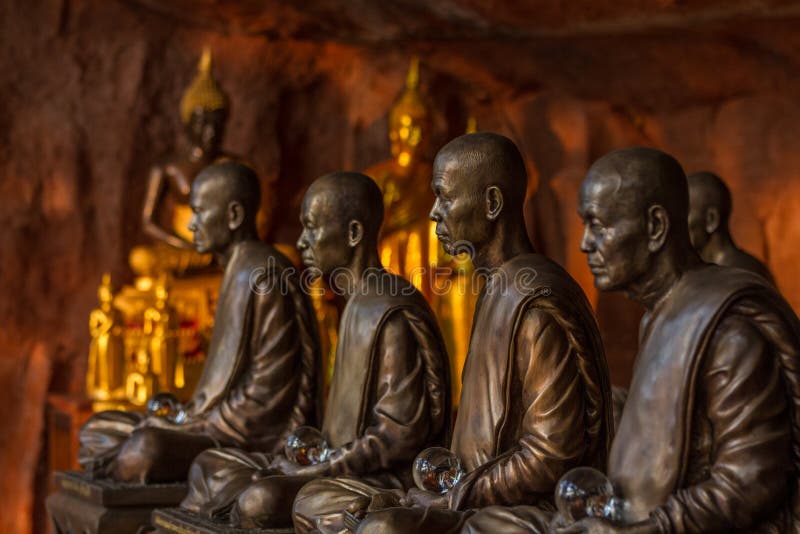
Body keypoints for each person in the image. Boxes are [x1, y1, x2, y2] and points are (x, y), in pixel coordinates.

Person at [321, 132, 613, 534]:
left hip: (522, 511)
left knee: (379, 529)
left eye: (445, 197)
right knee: (337, 506)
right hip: (469, 495)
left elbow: (552, 452)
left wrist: (457, 496)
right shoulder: (495, 286)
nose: (433, 214)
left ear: (491, 203)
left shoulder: (534, 301)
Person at [179, 172, 451, 529]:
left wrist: (321, 467)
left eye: (312, 228)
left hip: (377, 480)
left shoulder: (389, 309)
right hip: (335, 466)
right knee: (211, 465)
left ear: (353, 234)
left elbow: (396, 438)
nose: (302, 242)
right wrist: (305, 460)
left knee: (262, 500)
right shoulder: (354, 303)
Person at [555, 147, 799, 533]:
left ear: (655, 227)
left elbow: (751, 481)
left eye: (599, 225)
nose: (585, 243)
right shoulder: (658, 313)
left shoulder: (728, 332)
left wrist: (643, 531)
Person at [78, 161, 320, 484]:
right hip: (211, 423)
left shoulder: (264, 273)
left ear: (233, 216)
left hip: (245, 440)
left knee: (145, 448)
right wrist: (184, 419)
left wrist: (196, 425)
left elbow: (266, 401)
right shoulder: (236, 269)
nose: (190, 225)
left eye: (200, 212)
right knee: (99, 429)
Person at [687, 170, 774, 283]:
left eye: (684, 213)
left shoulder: (744, 276)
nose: (676, 223)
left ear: (711, 220)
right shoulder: (704, 273)